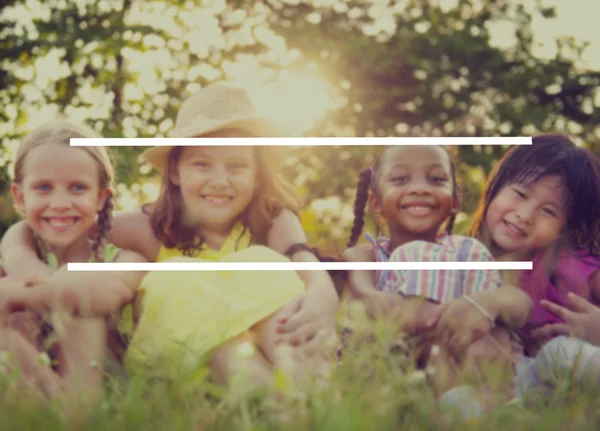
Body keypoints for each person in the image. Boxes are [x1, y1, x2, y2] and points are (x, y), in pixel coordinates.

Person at [0, 85, 340, 390]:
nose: (220, 181)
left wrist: (324, 294)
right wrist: (21, 261)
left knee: (264, 267)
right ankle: (275, 404)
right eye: (203, 165)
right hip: (209, 360)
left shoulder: (270, 219)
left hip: (279, 342)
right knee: (178, 286)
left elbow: (302, 259)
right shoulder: (148, 227)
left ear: (256, 173)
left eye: (236, 167)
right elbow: (58, 220)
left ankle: (310, 394)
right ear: (175, 172)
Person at [0, 120, 146, 410]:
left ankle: (75, 410)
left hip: (102, 383)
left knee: (78, 294)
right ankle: (47, 410)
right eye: (43, 188)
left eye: (77, 188)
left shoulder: (126, 258)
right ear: (20, 197)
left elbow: (98, 294)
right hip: (34, 369)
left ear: (101, 198)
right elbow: (25, 269)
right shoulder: (20, 239)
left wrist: (11, 295)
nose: (60, 203)